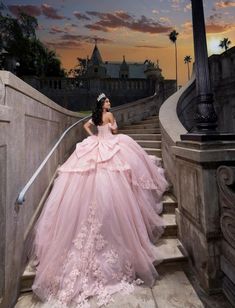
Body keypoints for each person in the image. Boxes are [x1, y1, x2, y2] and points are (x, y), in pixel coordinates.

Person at [30, 93, 168, 308]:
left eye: (108, 102)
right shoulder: (110, 116)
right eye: (106, 102)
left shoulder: (95, 118)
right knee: (116, 177)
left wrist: (94, 135)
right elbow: (115, 131)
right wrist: (111, 130)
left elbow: (86, 127)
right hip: (109, 145)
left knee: (95, 179)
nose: (109, 104)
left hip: (97, 145)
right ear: (102, 105)